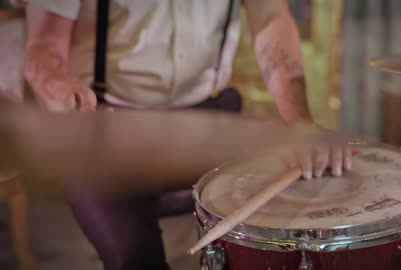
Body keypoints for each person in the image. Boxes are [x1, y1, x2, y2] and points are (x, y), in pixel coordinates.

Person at [19, 1, 352, 269]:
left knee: (298, 211)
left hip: (210, 115)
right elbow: (45, 46)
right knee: (135, 258)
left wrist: (301, 122)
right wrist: (59, 91)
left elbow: (270, 17)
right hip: (106, 121)